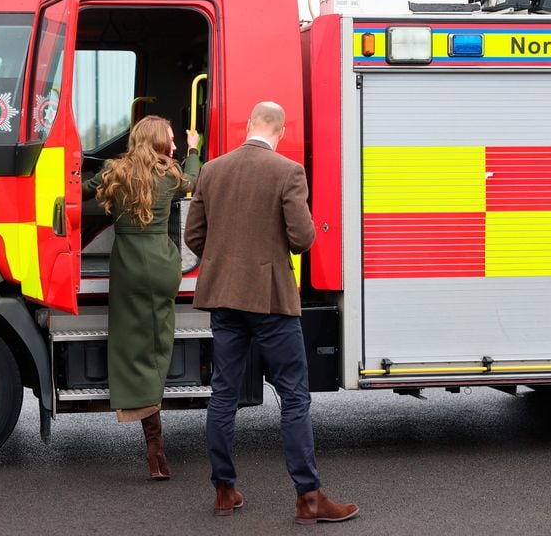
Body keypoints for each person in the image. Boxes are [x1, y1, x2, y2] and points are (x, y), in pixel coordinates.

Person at [184, 101, 359, 523]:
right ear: (280, 131)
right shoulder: (287, 171)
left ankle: (224, 491)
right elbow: (302, 238)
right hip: (271, 301)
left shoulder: (212, 169)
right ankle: (309, 498)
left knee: (223, 394)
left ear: (248, 126)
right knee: (294, 396)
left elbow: (193, 235)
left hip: (223, 298)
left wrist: (227, 261)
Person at [82, 115, 200, 480]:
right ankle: (155, 445)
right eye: (172, 140)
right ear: (159, 143)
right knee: (158, 343)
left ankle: (153, 444)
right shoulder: (170, 173)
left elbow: (80, 190)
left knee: (129, 346)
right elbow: (194, 180)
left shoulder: (115, 172)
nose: (176, 146)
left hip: (128, 266)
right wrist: (195, 150)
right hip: (163, 266)